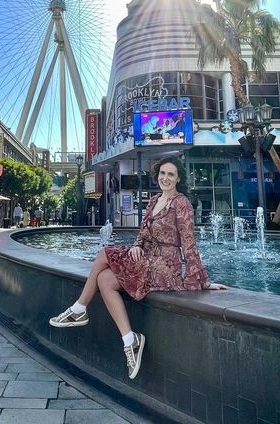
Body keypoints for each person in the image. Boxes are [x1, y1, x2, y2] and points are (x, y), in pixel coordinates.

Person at [49, 156, 228, 380]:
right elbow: (142, 236)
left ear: (178, 178)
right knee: (104, 279)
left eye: (171, 174)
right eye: (162, 173)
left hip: (166, 266)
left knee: (105, 253)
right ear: (157, 176)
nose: (166, 178)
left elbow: (189, 242)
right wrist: (135, 247)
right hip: (147, 259)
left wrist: (202, 280)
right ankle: (130, 341)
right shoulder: (153, 201)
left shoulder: (181, 203)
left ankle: (78, 309)